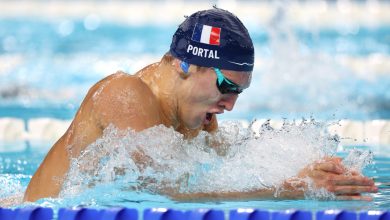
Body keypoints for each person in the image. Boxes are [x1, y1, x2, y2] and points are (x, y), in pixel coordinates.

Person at [23, 8, 377, 202]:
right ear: (185, 64)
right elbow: (163, 193)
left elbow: (236, 164)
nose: (231, 105)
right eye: (226, 86)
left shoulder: (195, 118)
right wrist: (291, 188)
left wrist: (312, 172)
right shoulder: (125, 94)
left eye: (239, 92)